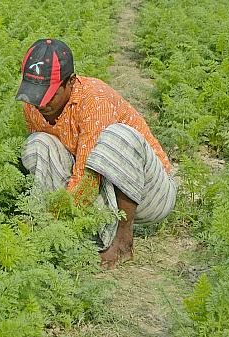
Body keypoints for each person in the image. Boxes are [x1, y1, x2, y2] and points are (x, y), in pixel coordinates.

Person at [15, 39, 176, 269]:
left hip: (149, 193)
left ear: (71, 82)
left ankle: (122, 242)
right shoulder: (33, 105)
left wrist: (55, 218)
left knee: (116, 136)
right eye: (34, 92)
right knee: (37, 144)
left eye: (49, 94)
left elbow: (87, 181)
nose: (40, 102)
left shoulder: (94, 100)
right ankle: (56, 226)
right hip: (104, 193)